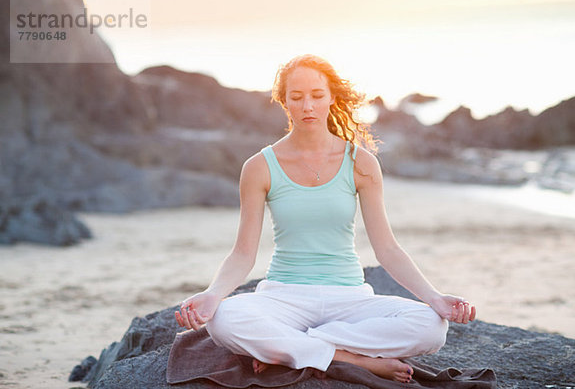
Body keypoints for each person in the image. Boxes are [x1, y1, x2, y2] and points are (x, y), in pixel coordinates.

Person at [174, 54, 476, 384]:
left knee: (433, 327)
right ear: (283, 100)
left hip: (348, 299)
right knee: (224, 320)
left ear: (332, 96)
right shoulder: (259, 166)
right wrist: (213, 294)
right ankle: (345, 357)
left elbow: (387, 248)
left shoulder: (361, 162)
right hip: (283, 297)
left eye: (317, 96)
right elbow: (243, 254)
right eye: (297, 96)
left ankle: (295, 348)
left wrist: (435, 298)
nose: (308, 106)